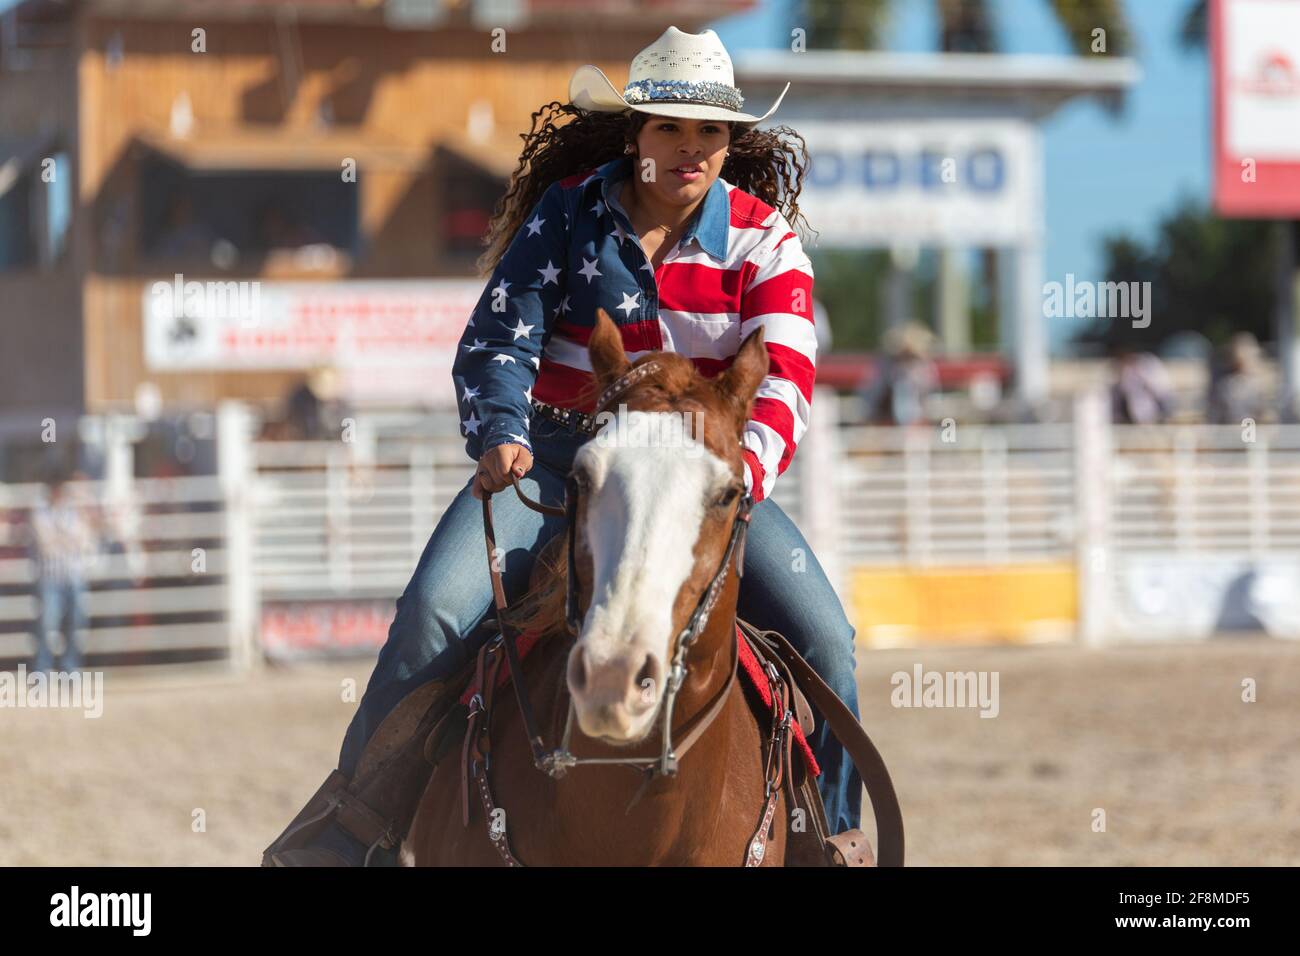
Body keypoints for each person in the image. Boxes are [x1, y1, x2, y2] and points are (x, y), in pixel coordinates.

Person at [266, 26, 862, 866]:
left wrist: (734, 479)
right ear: (636, 135)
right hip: (553, 460)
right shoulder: (568, 216)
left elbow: (788, 383)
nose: (689, 150)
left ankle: (833, 837)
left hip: (703, 479)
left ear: (730, 143)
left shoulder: (765, 243)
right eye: (670, 129)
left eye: (709, 133)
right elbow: (497, 342)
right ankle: (353, 829)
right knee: (436, 611)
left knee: (826, 638)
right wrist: (501, 433)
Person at [27, 471, 102, 673]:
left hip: (73, 575)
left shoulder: (74, 510)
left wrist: (61, 538)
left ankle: (70, 669)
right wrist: (67, 539)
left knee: (76, 625)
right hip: (50, 577)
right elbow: (46, 544)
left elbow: (83, 539)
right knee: (47, 626)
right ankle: (43, 670)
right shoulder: (40, 510)